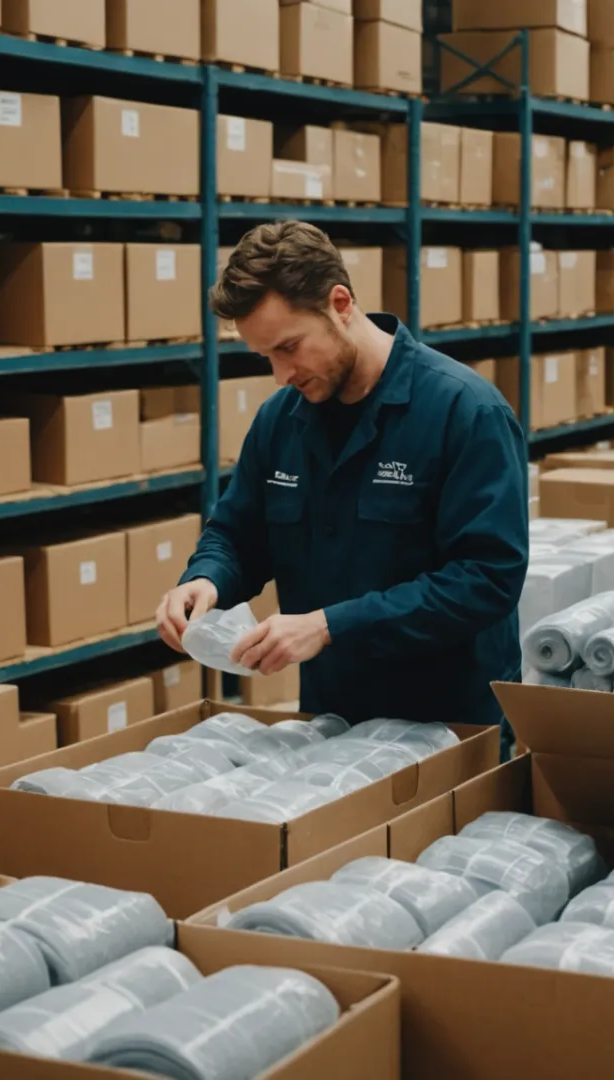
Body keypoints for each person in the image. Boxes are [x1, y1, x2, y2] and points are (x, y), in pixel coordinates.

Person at [155, 221, 529, 731]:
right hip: (332, 721)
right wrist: (206, 579)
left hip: (449, 725)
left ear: (340, 303)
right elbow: (237, 533)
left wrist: (332, 626)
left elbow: (487, 579)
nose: (281, 375)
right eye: (266, 356)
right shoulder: (279, 420)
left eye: (289, 347)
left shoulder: (465, 411)